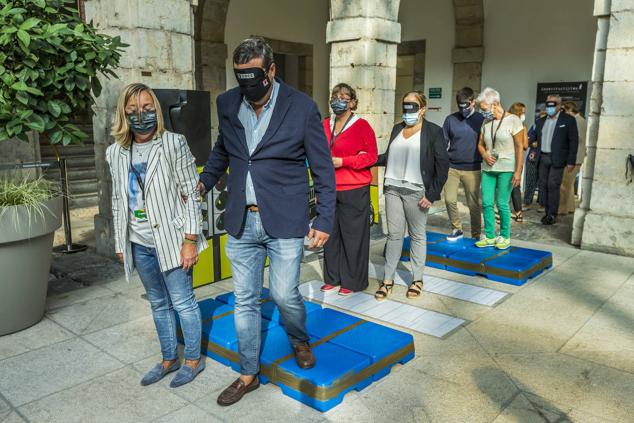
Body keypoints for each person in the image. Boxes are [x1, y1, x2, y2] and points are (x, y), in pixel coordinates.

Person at [197, 38, 336, 406]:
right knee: (244, 299)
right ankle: (247, 373)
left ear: (271, 70)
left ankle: (298, 337)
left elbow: (322, 168)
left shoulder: (302, 107)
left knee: (283, 294)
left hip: (286, 219)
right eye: (240, 76)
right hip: (242, 219)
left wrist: (323, 218)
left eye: (254, 75)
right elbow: (221, 152)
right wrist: (201, 183)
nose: (247, 84)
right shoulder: (227, 103)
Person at [106, 83, 207, 388]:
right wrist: (120, 242)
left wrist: (190, 241)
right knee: (158, 303)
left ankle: (192, 359)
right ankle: (168, 358)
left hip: (173, 241)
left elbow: (191, 194)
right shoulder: (115, 152)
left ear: (157, 111)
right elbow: (116, 199)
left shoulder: (174, 144)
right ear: (124, 114)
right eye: (134, 111)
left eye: (148, 109)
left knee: (182, 301)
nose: (142, 116)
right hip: (139, 242)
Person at [375, 91, 449, 300]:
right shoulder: (397, 128)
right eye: (405, 105)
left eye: (412, 106)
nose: (407, 110)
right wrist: (366, 159)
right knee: (394, 236)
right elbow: (389, 157)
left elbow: (442, 165)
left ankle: (417, 279)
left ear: (423, 109)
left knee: (417, 236)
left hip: (417, 191)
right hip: (392, 188)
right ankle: (387, 279)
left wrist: (432, 194)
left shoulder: (433, 131)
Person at [321, 83, 378, 295]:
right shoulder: (325, 124)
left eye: (344, 97)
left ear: (353, 102)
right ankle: (332, 277)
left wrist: (343, 161)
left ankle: (352, 281)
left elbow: (371, 156)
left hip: (354, 188)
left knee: (353, 237)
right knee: (331, 235)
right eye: (335, 95)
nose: (339, 99)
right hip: (329, 188)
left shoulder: (362, 126)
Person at [475, 88, 524, 250]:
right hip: (488, 168)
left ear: (494, 104)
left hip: (507, 168)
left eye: (483, 109)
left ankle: (504, 236)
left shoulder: (513, 120)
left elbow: (519, 147)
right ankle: (489, 235)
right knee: (487, 203)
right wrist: (484, 155)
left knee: (502, 203)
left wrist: (518, 171)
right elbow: (480, 144)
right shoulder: (486, 122)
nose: (482, 112)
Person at [442, 87, 485, 240]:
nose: (463, 109)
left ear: (473, 102)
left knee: (473, 205)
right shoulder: (450, 119)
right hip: (452, 167)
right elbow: (443, 143)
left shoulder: (481, 119)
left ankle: (475, 235)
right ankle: (457, 229)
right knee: (449, 199)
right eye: (460, 106)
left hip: (472, 168)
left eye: (466, 106)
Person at [534, 94, 579, 225]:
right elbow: (535, 136)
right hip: (542, 158)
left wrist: (571, 161)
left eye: (552, 105)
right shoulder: (541, 121)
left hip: (557, 159)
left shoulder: (568, 120)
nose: (549, 107)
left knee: (553, 186)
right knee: (543, 186)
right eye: (547, 104)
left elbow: (573, 141)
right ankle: (547, 211)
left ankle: (551, 214)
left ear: (559, 106)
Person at [559, 101, 587, 214]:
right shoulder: (581, 120)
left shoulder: (577, 120)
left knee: (564, 185)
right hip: (575, 157)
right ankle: (569, 208)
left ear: (569, 110)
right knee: (569, 185)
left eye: (564, 111)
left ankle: (561, 209)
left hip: (574, 158)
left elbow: (576, 139)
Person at [507, 102, 529, 222]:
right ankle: (518, 212)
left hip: (505, 158)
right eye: (523, 112)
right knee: (515, 185)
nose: (524, 114)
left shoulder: (504, 123)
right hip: (517, 159)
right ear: (518, 112)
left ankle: (501, 211)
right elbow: (525, 146)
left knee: (503, 185)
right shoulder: (522, 126)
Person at [524, 111, 546, 208]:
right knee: (530, 181)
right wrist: (531, 142)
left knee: (543, 183)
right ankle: (527, 202)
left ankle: (542, 204)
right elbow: (528, 140)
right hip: (532, 158)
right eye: (539, 118)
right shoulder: (535, 125)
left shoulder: (550, 128)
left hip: (544, 158)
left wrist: (540, 143)